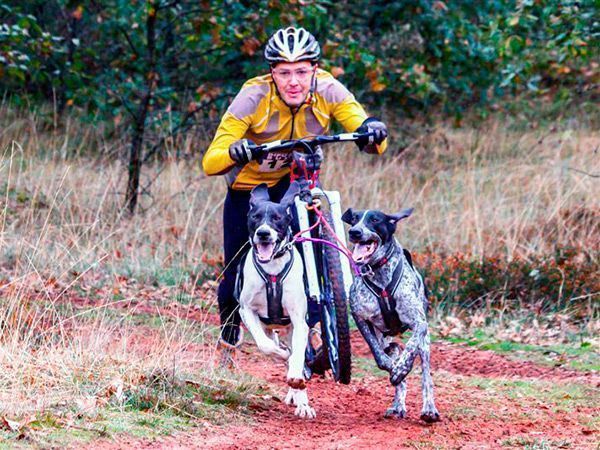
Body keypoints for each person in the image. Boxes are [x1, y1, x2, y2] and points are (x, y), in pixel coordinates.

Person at [202, 26, 388, 365]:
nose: (294, 81)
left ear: (314, 70)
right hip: (250, 191)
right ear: (271, 73)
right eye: (284, 72)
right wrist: (236, 151)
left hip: (296, 188)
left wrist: (371, 130)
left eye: (302, 71)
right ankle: (229, 341)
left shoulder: (329, 89)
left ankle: (314, 327)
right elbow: (210, 161)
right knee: (234, 273)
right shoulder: (252, 96)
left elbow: (370, 134)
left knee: (315, 256)